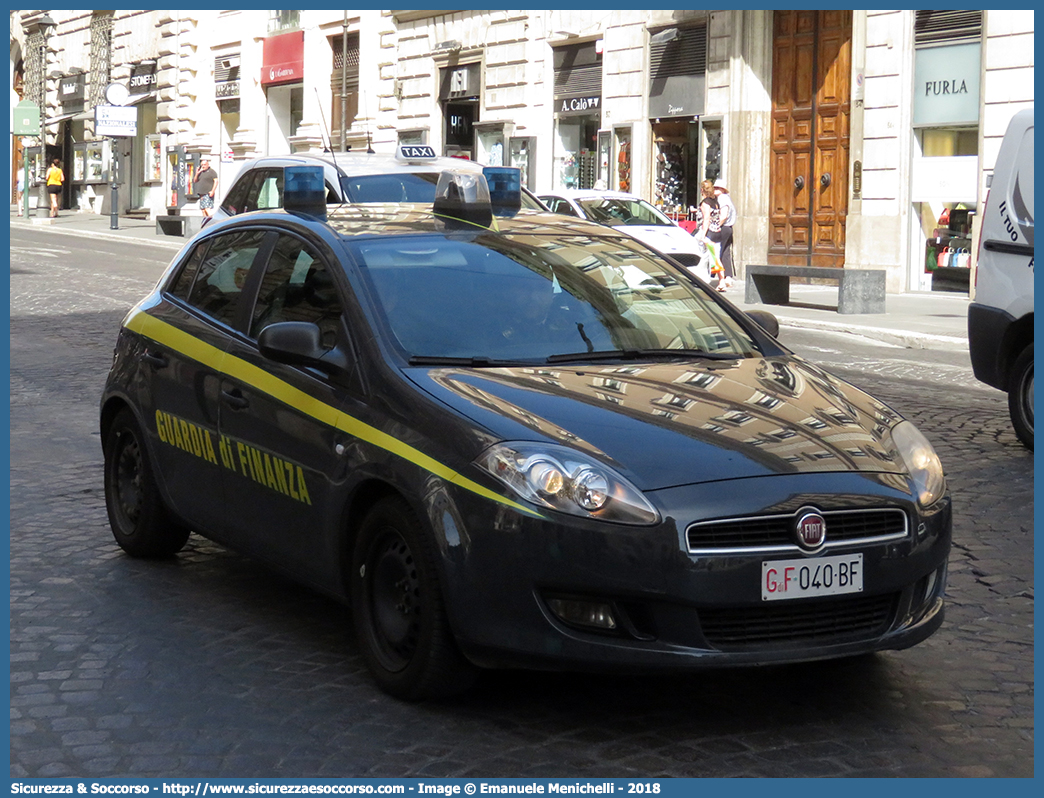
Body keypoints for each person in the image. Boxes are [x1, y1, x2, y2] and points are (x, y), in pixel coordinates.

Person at [693, 179, 726, 290]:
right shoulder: (715, 201)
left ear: (702, 190)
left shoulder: (705, 203)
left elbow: (706, 219)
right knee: (709, 257)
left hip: (709, 234)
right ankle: (703, 279)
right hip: (717, 232)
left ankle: (721, 281)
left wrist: (703, 235)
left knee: (713, 257)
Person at [713, 180, 736, 289]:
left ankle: (722, 278)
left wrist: (717, 225)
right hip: (728, 228)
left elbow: (724, 215)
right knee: (725, 252)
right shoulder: (726, 198)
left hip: (724, 227)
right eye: (714, 188)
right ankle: (728, 276)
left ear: (722, 189)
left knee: (718, 252)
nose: (715, 190)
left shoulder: (722, 198)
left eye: (717, 188)